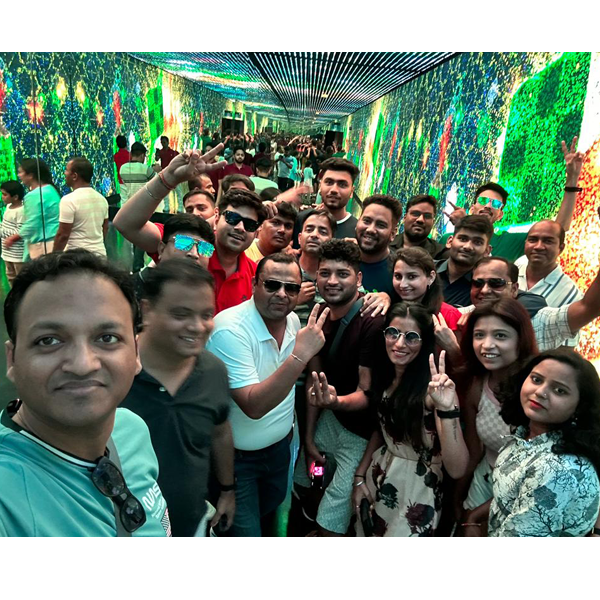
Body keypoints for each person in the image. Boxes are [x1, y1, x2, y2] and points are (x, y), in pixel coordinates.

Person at [0, 250, 170, 536]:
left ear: (137, 352)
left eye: (107, 338)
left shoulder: (130, 428)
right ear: (12, 360)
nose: (82, 365)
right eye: (49, 340)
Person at [206, 253, 331, 536]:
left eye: (292, 288)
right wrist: (300, 356)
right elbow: (254, 405)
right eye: (272, 285)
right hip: (239, 463)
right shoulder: (230, 330)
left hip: (280, 450)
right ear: (254, 284)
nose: (282, 294)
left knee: (269, 516)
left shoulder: (295, 324)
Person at [122, 259, 234, 537]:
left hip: (191, 522)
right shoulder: (115, 371)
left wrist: (227, 490)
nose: (197, 326)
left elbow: (220, 433)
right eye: (181, 314)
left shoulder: (214, 372)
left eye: (207, 314)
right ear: (147, 310)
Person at [293, 240, 386, 536]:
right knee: (310, 478)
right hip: (328, 424)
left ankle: (325, 532)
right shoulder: (318, 313)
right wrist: (308, 439)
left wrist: (335, 402)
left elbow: (367, 393)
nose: (332, 281)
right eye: (325, 273)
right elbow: (313, 379)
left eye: (342, 274)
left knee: (335, 510)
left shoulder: (372, 321)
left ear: (358, 279)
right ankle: (313, 511)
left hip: (359, 434)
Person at [351, 303, 469, 536]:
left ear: (425, 342)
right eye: (393, 333)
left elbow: (457, 468)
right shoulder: (386, 376)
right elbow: (382, 431)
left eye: (412, 337)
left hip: (417, 489)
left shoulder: (434, 390)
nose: (399, 344)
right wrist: (359, 476)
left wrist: (447, 410)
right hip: (381, 474)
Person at [488, 348, 600, 536]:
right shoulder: (528, 434)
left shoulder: (555, 471)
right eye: (536, 379)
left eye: (559, 390)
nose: (540, 392)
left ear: (580, 407)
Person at [454, 298, 538, 536]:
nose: (486, 345)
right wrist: (457, 499)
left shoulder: (538, 392)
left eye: (500, 336)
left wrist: (478, 512)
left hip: (528, 492)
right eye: (479, 335)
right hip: (485, 478)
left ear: (520, 340)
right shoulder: (477, 385)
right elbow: (473, 450)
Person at [442, 137, 584, 261]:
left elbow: (559, 229)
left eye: (496, 204)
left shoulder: (509, 242)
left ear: (500, 215)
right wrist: (463, 226)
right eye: (484, 201)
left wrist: (572, 180)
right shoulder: (447, 238)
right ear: (472, 208)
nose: (488, 206)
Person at [465, 255, 600, 351]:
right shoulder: (462, 316)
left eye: (496, 283)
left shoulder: (539, 321)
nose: (485, 290)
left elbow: (588, 308)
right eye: (478, 283)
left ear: (514, 289)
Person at [514, 220, 583, 346]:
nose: (538, 246)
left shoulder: (570, 294)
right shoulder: (515, 268)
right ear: (525, 243)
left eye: (548, 241)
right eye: (533, 240)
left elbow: (566, 347)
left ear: (561, 248)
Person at [391, 247, 462, 359]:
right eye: (398, 276)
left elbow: (466, 369)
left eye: (412, 277)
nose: (403, 284)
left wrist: (452, 347)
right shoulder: (389, 309)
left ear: (431, 277)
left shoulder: (449, 315)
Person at [129, 213, 216, 300]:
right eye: (183, 243)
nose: (194, 254)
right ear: (162, 249)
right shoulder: (130, 291)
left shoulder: (205, 300)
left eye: (204, 248)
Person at [53, 157, 109, 256]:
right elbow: (105, 228)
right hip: (100, 255)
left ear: (74, 176)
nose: (64, 173)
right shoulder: (102, 199)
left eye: (66, 170)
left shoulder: (68, 200)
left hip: (77, 258)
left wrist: (53, 258)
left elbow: (63, 235)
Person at [436, 215, 493, 307]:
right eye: (463, 239)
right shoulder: (424, 270)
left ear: (487, 251)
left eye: (477, 242)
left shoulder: (486, 288)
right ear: (450, 241)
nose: (468, 247)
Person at [355, 194, 402, 296]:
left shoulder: (400, 272)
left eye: (381, 225)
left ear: (393, 234)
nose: (371, 229)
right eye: (366, 221)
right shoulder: (340, 258)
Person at [16, 158, 61, 259]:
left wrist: (13, 238)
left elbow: (32, 223)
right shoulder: (50, 189)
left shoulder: (34, 195)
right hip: (53, 243)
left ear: (30, 175)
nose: (19, 175)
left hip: (42, 246)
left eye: (20, 172)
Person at [389, 194, 448, 260]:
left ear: (433, 222)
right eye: (415, 214)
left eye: (427, 216)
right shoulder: (386, 244)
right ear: (404, 218)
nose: (420, 220)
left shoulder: (441, 254)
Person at [1, 180, 26, 285]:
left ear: (15, 197)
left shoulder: (21, 211)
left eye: (5, 194)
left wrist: (6, 235)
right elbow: (5, 225)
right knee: (11, 277)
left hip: (18, 255)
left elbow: (20, 231)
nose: (2, 197)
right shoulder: (8, 207)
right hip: (7, 253)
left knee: (21, 278)